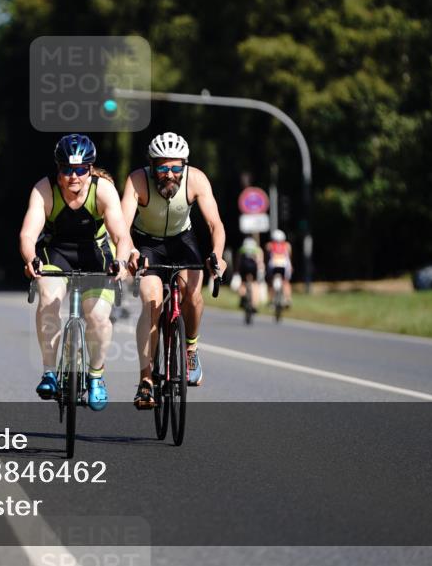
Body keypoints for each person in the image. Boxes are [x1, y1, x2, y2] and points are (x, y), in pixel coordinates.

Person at [19, 134, 134, 411]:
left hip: (95, 255)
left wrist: (120, 261)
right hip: (57, 253)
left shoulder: (103, 189)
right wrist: (31, 259)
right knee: (48, 301)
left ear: (90, 169)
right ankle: (49, 372)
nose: (74, 176)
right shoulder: (44, 189)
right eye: (67, 169)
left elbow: (121, 235)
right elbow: (28, 234)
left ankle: (96, 376)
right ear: (58, 168)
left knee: (98, 317)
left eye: (81, 169)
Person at [121, 132, 226, 409]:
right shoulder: (137, 180)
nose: (170, 174)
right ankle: (146, 380)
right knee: (152, 300)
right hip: (147, 244)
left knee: (192, 291)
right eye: (163, 168)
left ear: (184, 166)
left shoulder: (196, 179)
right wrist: (131, 252)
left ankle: (190, 348)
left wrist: (217, 254)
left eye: (176, 168)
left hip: (183, 241)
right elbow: (121, 225)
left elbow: (215, 224)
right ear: (152, 166)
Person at [236, 237, 264, 312]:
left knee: (242, 283)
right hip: (254, 267)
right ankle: (254, 305)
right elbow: (260, 261)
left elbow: (238, 261)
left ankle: (243, 298)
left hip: (244, 266)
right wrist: (261, 271)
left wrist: (237, 271)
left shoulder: (242, 249)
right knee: (255, 284)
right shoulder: (257, 249)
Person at [266, 229, 293, 307]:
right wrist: (291, 266)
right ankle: (288, 299)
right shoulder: (287, 245)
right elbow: (289, 257)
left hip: (273, 266)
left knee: (271, 282)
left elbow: (267, 257)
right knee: (286, 282)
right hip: (285, 266)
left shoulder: (269, 245)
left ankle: (271, 300)